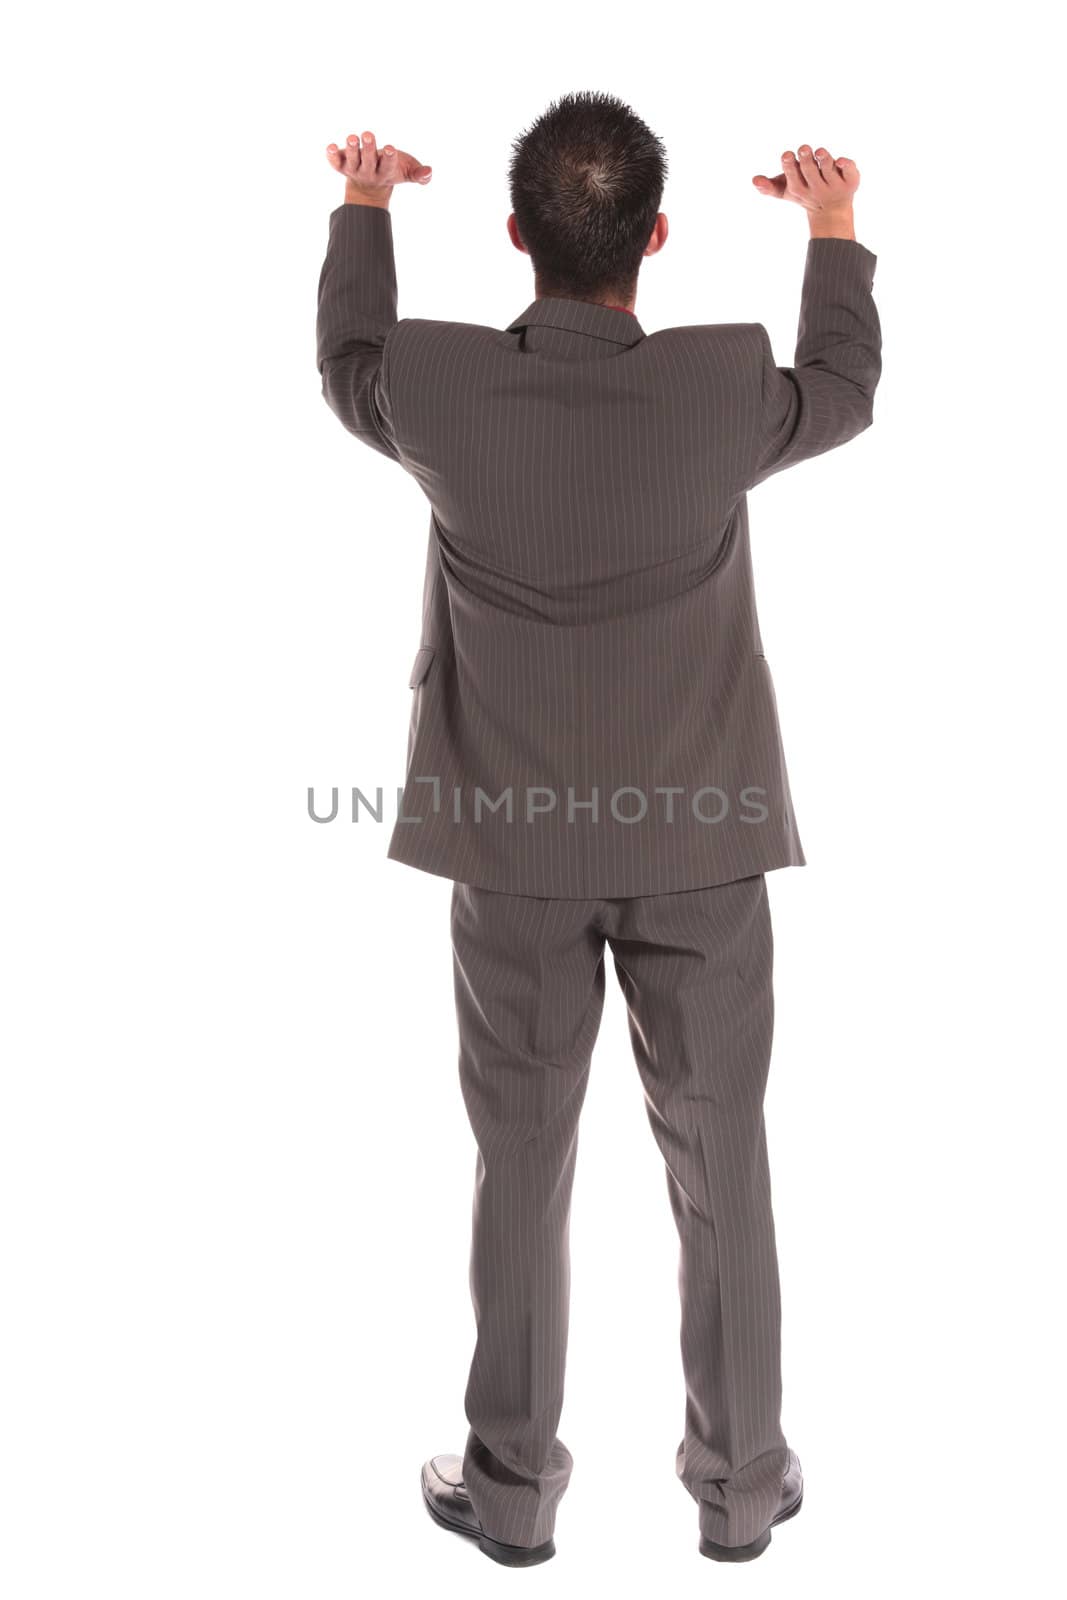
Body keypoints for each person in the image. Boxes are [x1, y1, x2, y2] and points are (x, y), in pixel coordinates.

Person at [316, 90, 881, 1566]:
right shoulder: (718, 388)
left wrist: (367, 203)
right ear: (659, 237)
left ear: (516, 235)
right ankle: (743, 1491)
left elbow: (345, 363)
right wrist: (832, 228)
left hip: (511, 858)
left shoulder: (437, 391)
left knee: (522, 1169)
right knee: (724, 1161)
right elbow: (845, 384)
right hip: (696, 843)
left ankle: (509, 1502)